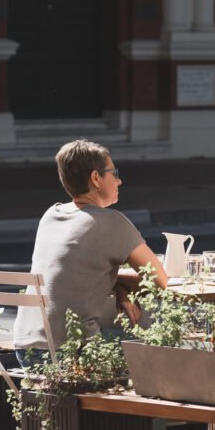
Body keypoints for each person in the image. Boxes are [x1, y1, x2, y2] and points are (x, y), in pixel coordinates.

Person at [13, 139, 167, 366]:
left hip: (24, 349)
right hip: (72, 355)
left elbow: (71, 274)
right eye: (114, 173)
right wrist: (123, 284)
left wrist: (119, 285)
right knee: (152, 345)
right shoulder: (112, 222)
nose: (119, 180)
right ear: (96, 178)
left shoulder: (50, 215)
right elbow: (159, 279)